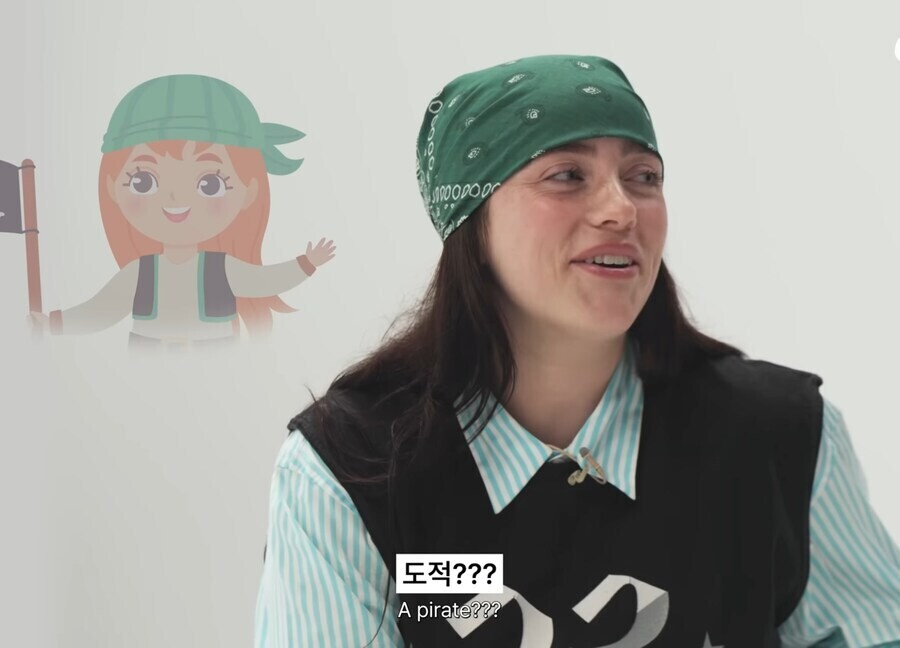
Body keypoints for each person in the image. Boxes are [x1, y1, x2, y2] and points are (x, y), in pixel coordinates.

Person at [254, 55, 900, 647]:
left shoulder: (781, 436)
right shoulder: (352, 469)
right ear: (471, 222)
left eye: (643, 177)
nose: (621, 209)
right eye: (566, 175)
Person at [29, 74, 336, 346]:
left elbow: (263, 281)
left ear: (249, 191)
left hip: (216, 361)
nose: (175, 198)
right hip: (147, 362)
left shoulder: (222, 269)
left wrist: (305, 264)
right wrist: (53, 323)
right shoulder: (140, 273)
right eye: (143, 181)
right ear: (112, 186)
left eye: (210, 183)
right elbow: (101, 310)